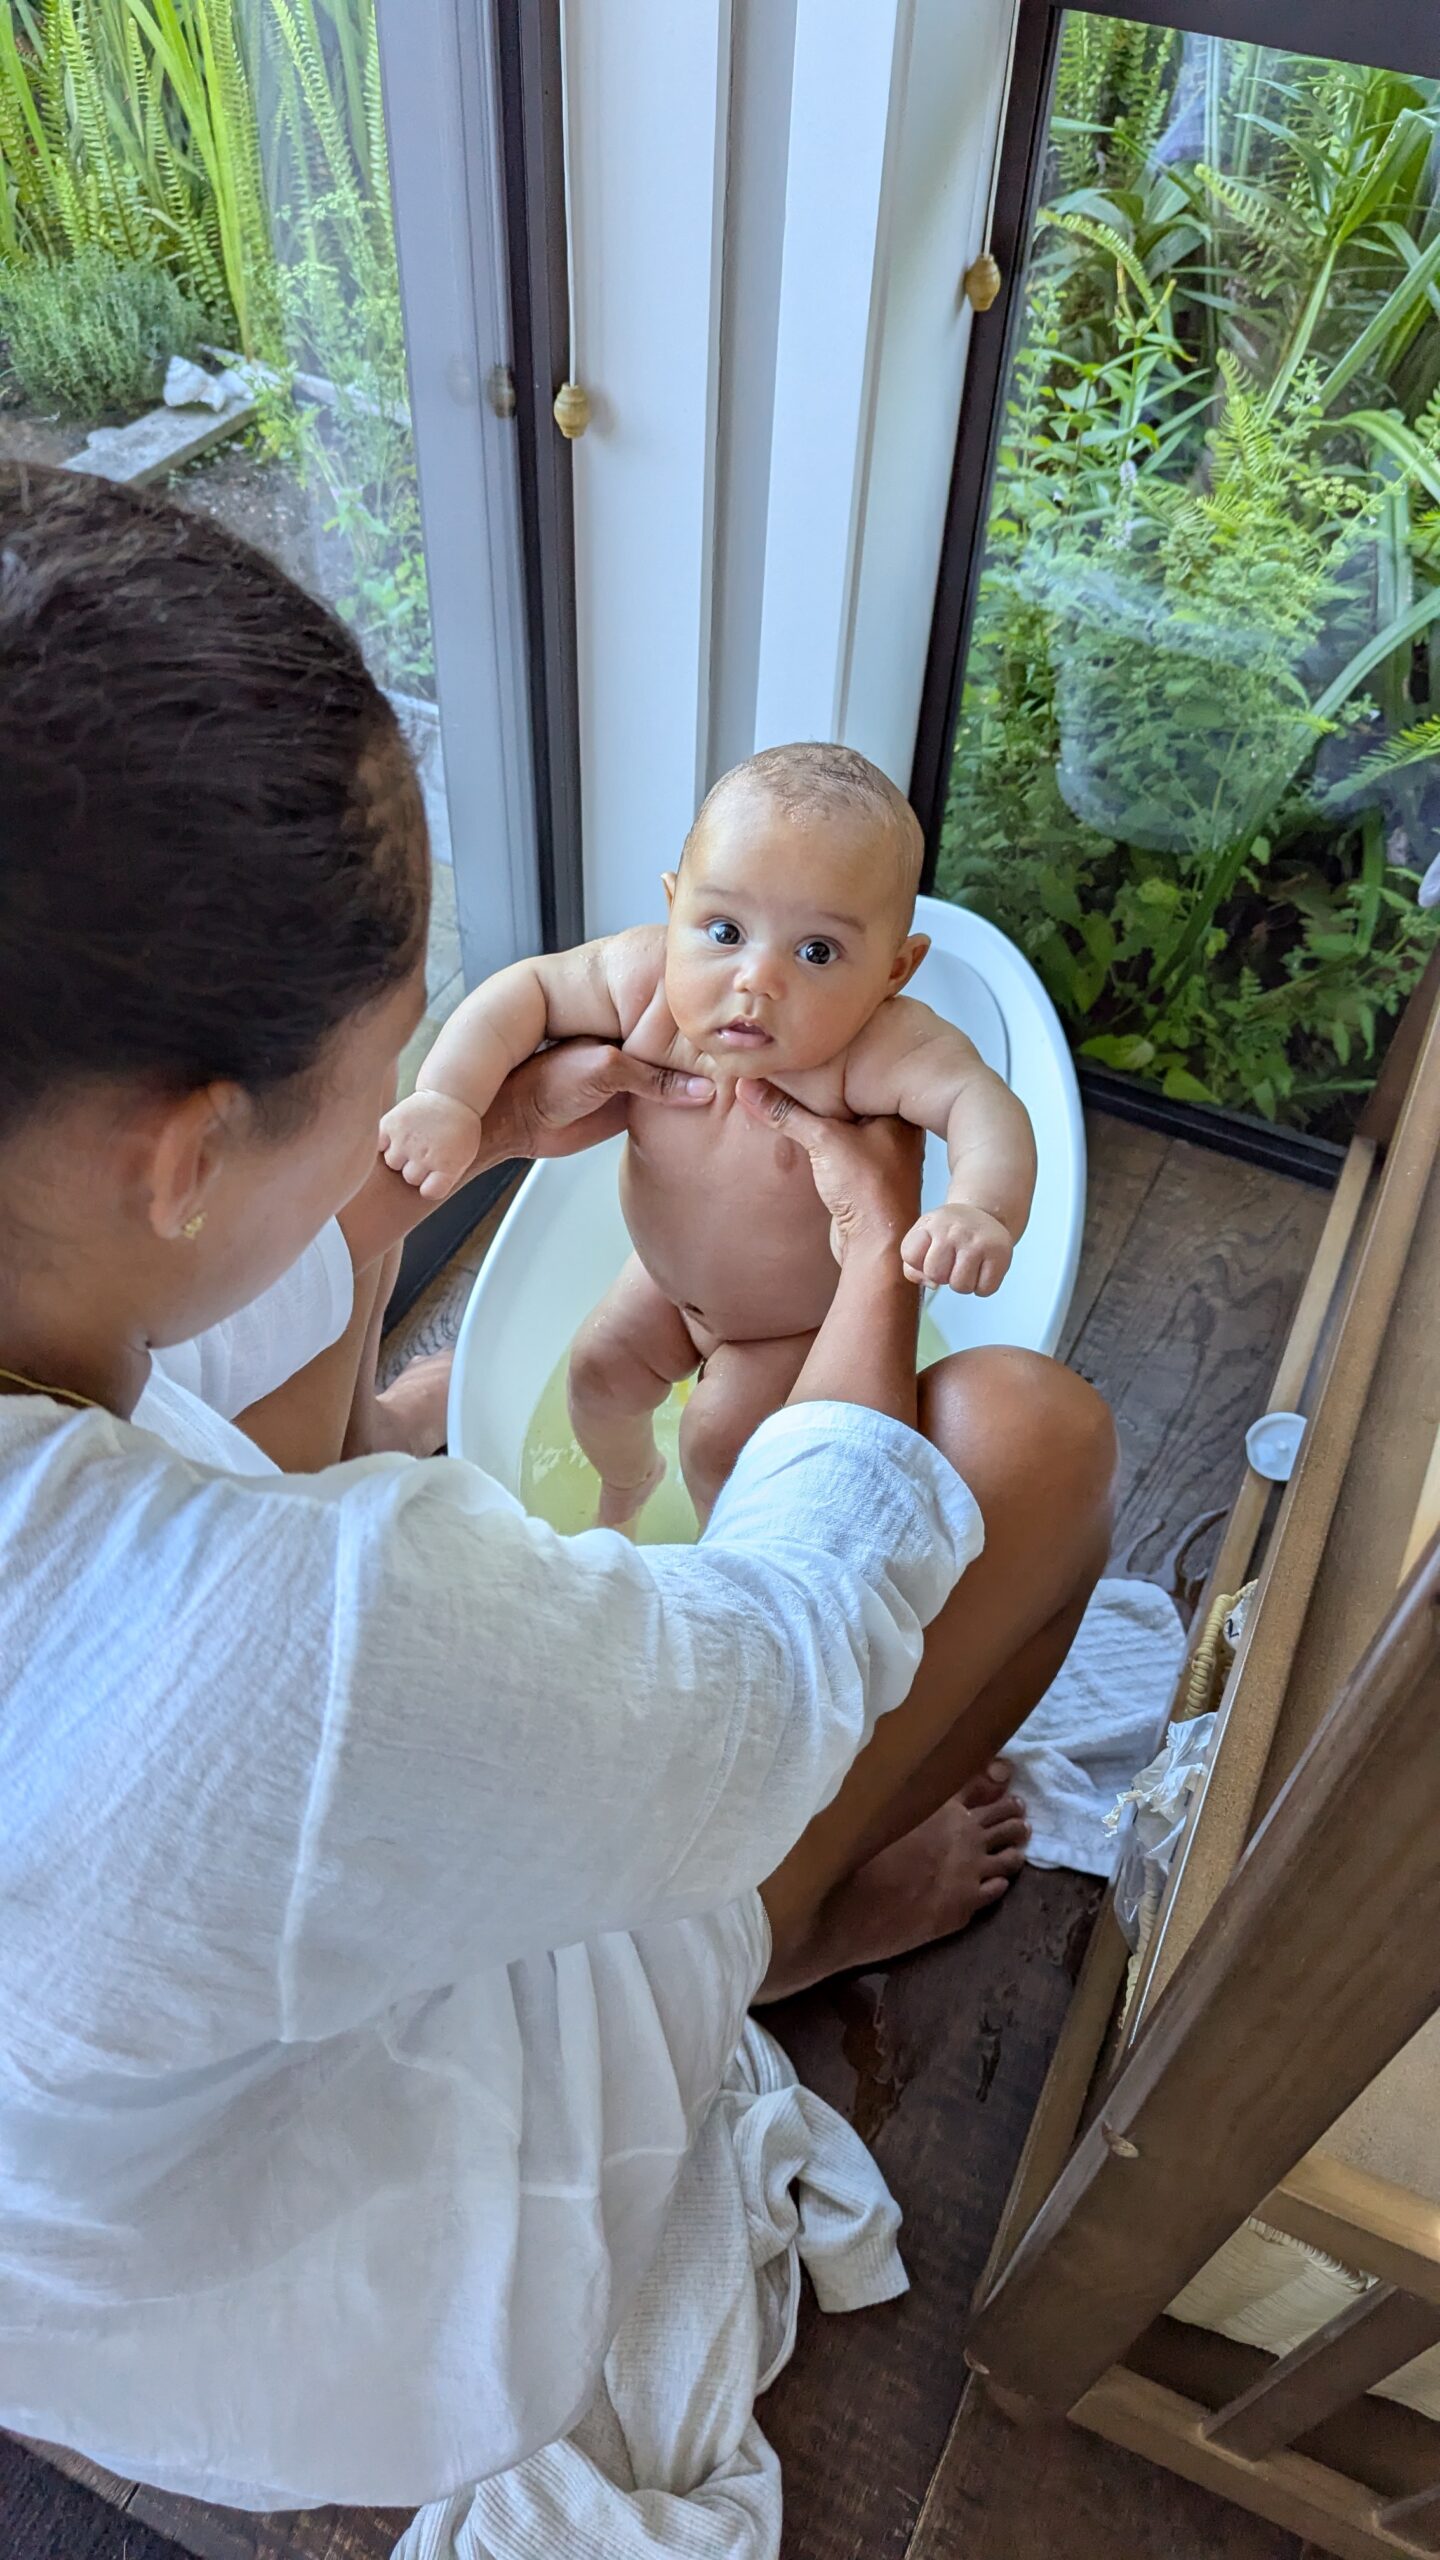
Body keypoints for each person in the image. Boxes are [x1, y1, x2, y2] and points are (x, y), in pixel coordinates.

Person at [0, 464, 1115, 2511]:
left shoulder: (73, 1382)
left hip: (77, 2210)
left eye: (813, 948)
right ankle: (773, 1939)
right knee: (1031, 1441)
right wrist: (879, 1265)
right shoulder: (302, 1639)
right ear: (181, 1153)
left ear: (887, 954)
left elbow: (978, 1117)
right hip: (329, 2260)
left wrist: (408, 1179)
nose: (747, 979)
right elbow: (777, 1662)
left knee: (573, 1417)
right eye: (387, 1055)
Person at [380, 744, 1038, 1523]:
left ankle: (718, 1550)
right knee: (595, 1376)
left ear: (895, 971)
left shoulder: (874, 1049)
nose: (756, 977)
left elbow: (979, 1101)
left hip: (793, 1328)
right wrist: (450, 1097)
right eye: (724, 930)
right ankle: (627, 1482)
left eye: (817, 952)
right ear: (674, 908)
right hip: (664, 1281)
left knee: (720, 1443)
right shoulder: (645, 981)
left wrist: (980, 1208)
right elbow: (527, 990)